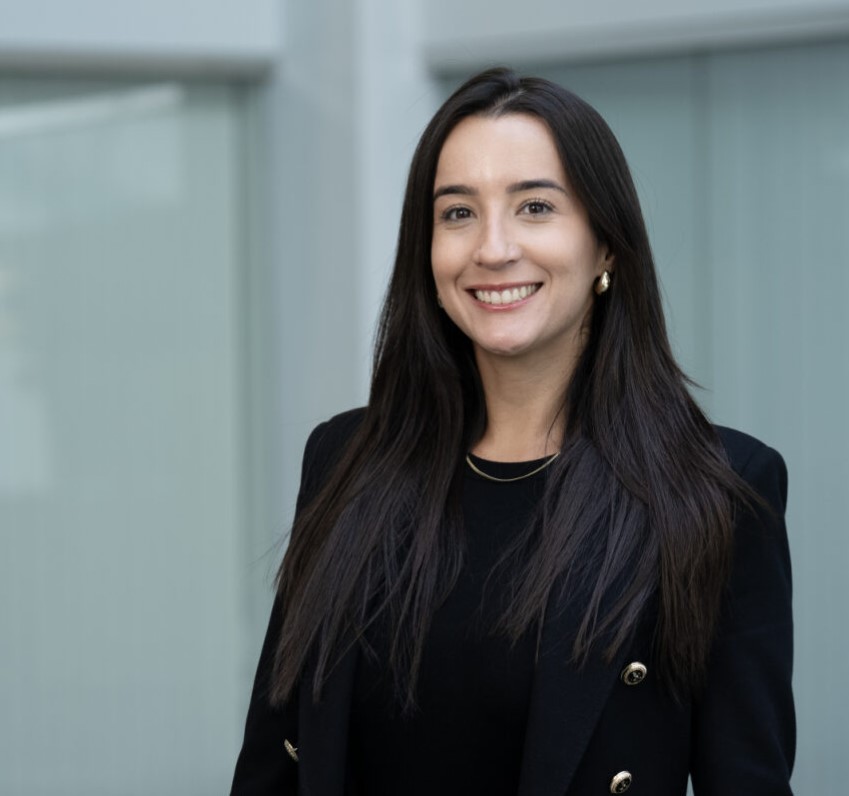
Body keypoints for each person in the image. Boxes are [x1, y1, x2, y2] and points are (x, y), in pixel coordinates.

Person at [230, 67, 794, 796]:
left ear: (607, 247)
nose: (491, 249)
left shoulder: (716, 489)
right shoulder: (346, 458)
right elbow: (273, 764)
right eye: (457, 214)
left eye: (533, 207)